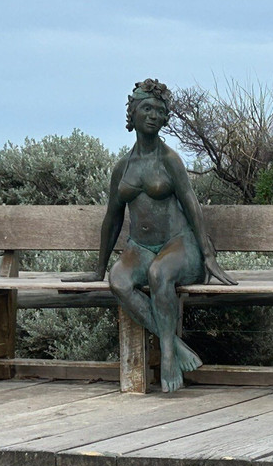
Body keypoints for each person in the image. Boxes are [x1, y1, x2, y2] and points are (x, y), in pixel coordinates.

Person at [68, 78, 236, 392]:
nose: (153, 115)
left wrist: (209, 257)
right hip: (141, 247)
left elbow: (193, 208)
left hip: (178, 245)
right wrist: (98, 268)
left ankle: (169, 356)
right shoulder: (123, 167)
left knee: (160, 273)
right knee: (118, 281)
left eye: (160, 110)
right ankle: (171, 340)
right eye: (147, 108)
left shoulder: (170, 161)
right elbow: (112, 218)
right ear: (132, 114)